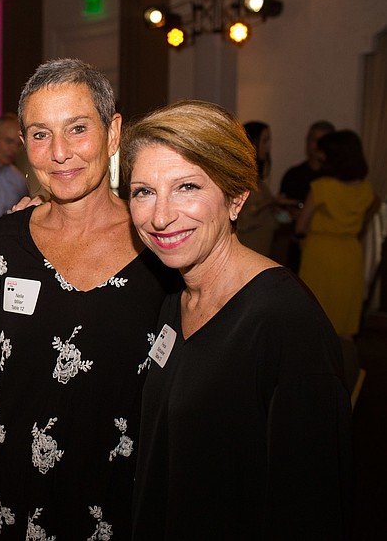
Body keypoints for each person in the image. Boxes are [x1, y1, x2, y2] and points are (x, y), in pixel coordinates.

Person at [122, 99, 353, 539]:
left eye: (187, 187)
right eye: (144, 191)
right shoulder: (176, 298)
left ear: (236, 198)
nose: (161, 215)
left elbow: (314, 504)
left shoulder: (285, 322)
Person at [0, 59, 178, 540]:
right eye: (41, 135)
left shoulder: (161, 244)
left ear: (113, 133)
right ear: (24, 146)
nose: (60, 153)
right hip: (10, 495)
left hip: (118, 498)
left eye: (78, 129)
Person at [297, 130, 381, 339]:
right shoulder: (366, 189)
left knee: (314, 319)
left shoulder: (322, 187)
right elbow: (373, 208)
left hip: (320, 253)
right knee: (343, 320)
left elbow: (300, 226)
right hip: (350, 253)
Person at [279, 120, 335, 271]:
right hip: (296, 244)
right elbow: (279, 213)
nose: (317, 145)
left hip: (327, 249)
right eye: (313, 140)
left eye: (322, 141)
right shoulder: (294, 174)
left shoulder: (336, 179)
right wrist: (288, 213)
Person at [236, 121, 279, 256]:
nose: (268, 147)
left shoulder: (258, 181)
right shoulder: (241, 178)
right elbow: (243, 219)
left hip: (262, 250)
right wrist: (270, 201)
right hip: (248, 250)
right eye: (264, 141)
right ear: (252, 142)